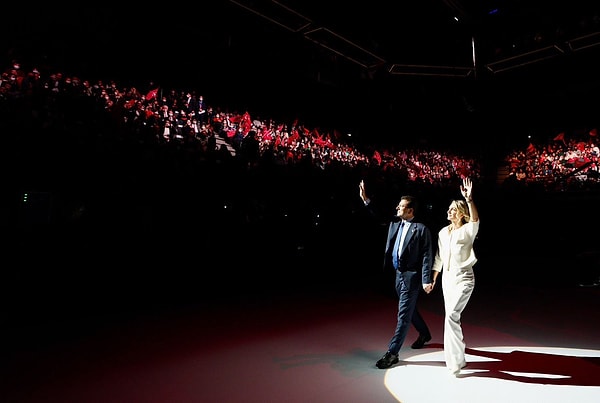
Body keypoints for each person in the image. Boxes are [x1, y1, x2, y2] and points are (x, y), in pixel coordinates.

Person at [359, 180, 434, 369]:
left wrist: (426, 279)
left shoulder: (422, 229)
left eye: (401, 207)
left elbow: (427, 255)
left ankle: (392, 353)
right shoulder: (395, 222)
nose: (397, 208)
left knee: (403, 315)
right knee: (409, 309)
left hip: (412, 277)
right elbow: (379, 214)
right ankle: (424, 333)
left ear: (410, 211)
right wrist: (366, 200)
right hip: (397, 275)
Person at [431, 177, 480, 376]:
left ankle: (456, 362)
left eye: (452, 209)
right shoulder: (443, 232)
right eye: (449, 209)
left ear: (460, 213)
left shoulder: (468, 230)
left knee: (452, 316)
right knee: (450, 319)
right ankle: (456, 359)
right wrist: (433, 277)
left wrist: (469, 199)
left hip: (464, 278)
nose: (449, 211)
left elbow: (475, 220)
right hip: (447, 280)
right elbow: (439, 257)